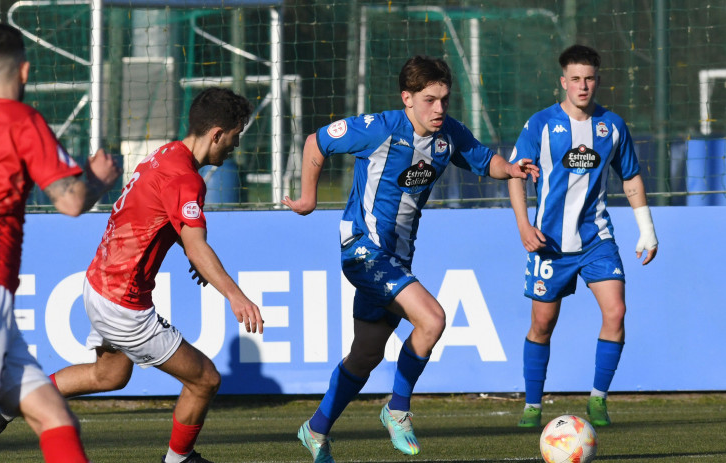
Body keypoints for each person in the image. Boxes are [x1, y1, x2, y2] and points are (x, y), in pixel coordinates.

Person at [0, 86, 265, 463]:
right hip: (123, 303)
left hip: (98, 284)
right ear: (216, 133)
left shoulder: (165, 155)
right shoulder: (186, 178)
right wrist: (236, 295)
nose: (235, 147)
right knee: (205, 379)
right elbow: (195, 244)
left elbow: (162, 221)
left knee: (109, 376)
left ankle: (6, 405)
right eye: (234, 137)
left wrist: (195, 256)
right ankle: (179, 460)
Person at [282, 55, 538, 462]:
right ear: (408, 98)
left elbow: (483, 159)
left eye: (444, 100)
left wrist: (512, 168)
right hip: (362, 249)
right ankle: (397, 409)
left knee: (365, 354)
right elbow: (317, 141)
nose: (439, 109)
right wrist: (309, 198)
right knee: (432, 318)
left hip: (396, 259)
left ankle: (315, 429)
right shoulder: (380, 129)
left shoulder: (447, 134)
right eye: (429, 100)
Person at [0, 23, 121, 462]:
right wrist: (98, 179)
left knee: (53, 416)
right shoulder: (22, 120)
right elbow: (71, 201)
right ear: (25, 71)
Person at [507, 44, 659, 429]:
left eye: (589, 78)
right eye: (575, 79)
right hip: (549, 243)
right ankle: (532, 404)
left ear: (598, 80)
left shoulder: (613, 126)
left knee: (617, 311)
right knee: (542, 324)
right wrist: (524, 226)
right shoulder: (540, 124)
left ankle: (598, 400)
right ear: (563, 82)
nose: (583, 85)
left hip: (596, 239)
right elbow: (515, 173)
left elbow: (631, 176)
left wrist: (647, 229)